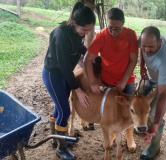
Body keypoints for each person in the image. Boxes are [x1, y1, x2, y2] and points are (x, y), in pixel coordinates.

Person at [42, 2, 96, 160]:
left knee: (60, 107)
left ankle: (56, 138)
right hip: (53, 74)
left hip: (64, 74)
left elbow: (79, 48)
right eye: (84, 30)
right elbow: (65, 67)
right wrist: (78, 90)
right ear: (74, 23)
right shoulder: (61, 34)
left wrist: (92, 56)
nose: (85, 33)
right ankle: (61, 148)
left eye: (89, 30)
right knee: (65, 110)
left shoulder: (77, 33)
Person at [83, 7, 138, 149]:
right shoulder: (101, 36)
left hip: (127, 81)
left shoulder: (131, 35)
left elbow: (133, 60)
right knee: (112, 112)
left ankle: (130, 137)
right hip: (107, 81)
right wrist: (93, 81)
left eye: (117, 28)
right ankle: (113, 135)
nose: (113, 32)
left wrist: (123, 81)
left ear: (123, 24)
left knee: (129, 110)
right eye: (110, 28)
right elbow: (87, 60)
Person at [139, 26, 166, 160]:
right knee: (140, 102)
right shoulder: (144, 43)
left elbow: (163, 94)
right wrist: (142, 66)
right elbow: (142, 49)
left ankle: (154, 147)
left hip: (164, 79)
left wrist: (155, 122)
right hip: (151, 75)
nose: (147, 50)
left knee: (154, 113)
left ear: (159, 42)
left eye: (151, 47)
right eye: (144, 46)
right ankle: (144, 126)